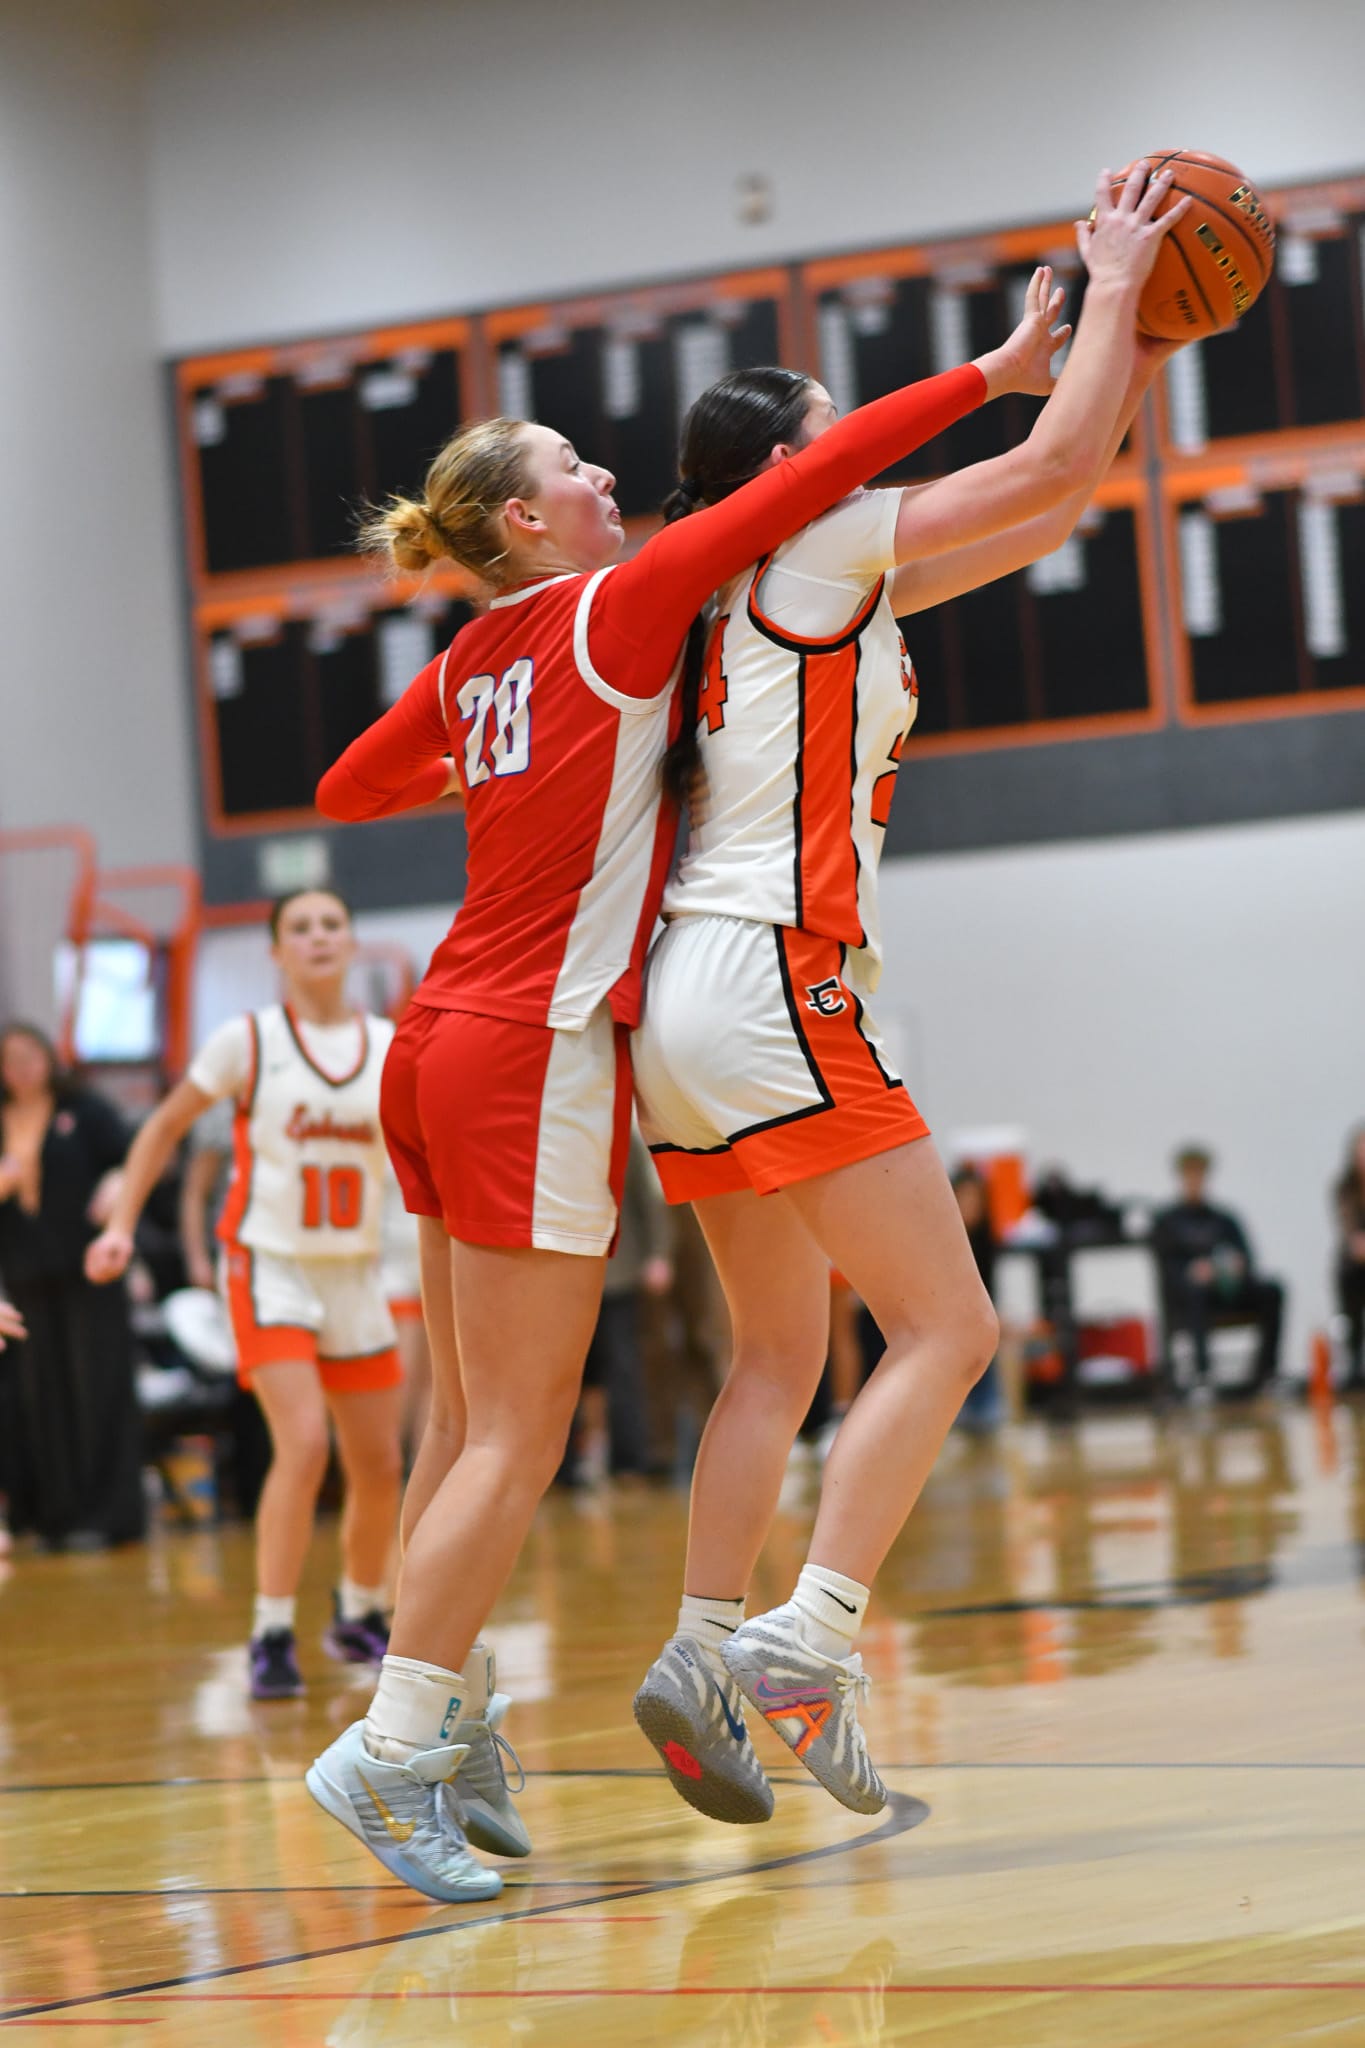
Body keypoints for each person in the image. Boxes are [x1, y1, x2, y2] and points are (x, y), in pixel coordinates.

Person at [304, 272, 1061, 1901]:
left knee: (463, 1420)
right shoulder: (623, 604)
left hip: (427, 1030)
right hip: (534, 1040)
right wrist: (992, 370)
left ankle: (447, 1718)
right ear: (526, 512)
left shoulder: (476, 655)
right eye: (575, 469)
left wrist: (502, 755)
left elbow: (344, 786)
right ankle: (393, 1737)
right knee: (520, 1432)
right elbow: (800, 486)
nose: (607, 483)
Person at [630, 163, 1191, 1825]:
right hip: (773, 977)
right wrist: (1115, 285)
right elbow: (1054, 459)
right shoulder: (813, 546)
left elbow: (1056, 499)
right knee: (951, 1325)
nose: (867, 438)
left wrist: (1134, 343)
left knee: (773, 1356)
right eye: (838, 422)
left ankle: (702, 1646)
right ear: (790, 469)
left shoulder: (766, 584)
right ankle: (810, 1638)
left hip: (686, 1001)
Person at [86, 890, 405, 1699]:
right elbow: (159, 1127)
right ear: (277, 951)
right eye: (300, 927)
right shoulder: (249, 1041)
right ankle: (269, 1632)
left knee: (379, 1463)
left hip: (353, 1270)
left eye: (333, 922)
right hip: (268, 1265)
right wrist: (122, 1221)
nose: (319, 936)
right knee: (301, 1445)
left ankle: (360, 1610)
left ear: (351, 939)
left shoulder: (389, 1044)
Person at [0, 1024, 144, 1550]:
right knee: (40, 1398)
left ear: (48, 1057)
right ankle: (55, 1517)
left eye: (28, 1054)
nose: (21, 1066)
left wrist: (117, 1182)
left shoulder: (85, 1109)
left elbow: (133, 1158)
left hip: (90, 1271)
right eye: (9, 1058)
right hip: (26, 1275)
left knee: (99, 1386)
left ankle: (112, 1515)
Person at [1151, 1145, 1284, 1394]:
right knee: (1196, 1291)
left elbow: (1247, 1258)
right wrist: (1192, 1272)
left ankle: (1266, 1372)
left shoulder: (1224, 1219)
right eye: (1190, 1174)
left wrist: (1235, 1266)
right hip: (1191, 1298)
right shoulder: (1167, 1222)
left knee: (1273, 1290)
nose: (1195, 1181)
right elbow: (1164, 1268)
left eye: (1199, 1174)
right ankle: (1203, 1374)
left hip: (1227, 1292)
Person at [1335, 1128, 1365, 1390]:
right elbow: (1351, 1235)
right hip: (1355, 1267)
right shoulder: (1344, 1188)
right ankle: (1355, 1362)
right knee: (1350, 1276)